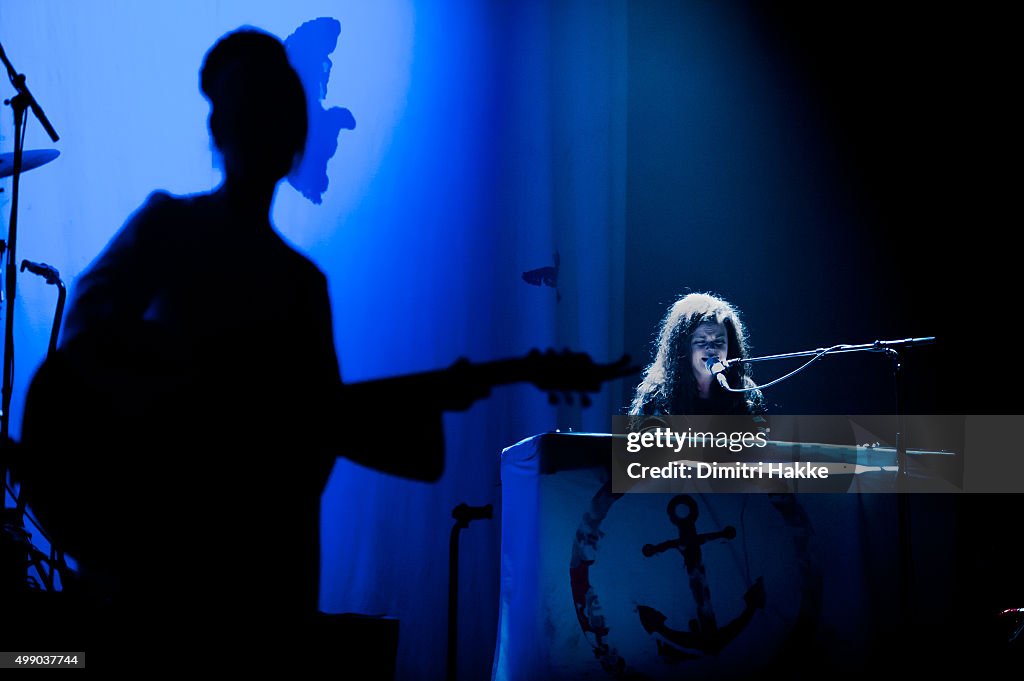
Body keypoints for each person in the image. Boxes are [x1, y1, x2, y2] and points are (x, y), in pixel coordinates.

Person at [12, 27, 451, 665]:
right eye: (244, 109)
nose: (252, 125)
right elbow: (83, 353)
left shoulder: (301, 285)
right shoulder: (171, 228)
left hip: (260, 587)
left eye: (266, 109)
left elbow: (311, 443)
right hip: (163, 575)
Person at [629, 292, 764, 418]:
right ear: (683, 348)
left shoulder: (745, 391)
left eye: (719, 342)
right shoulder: (657, 393)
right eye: (701, 342)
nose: (711, 349)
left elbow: (761, 441)